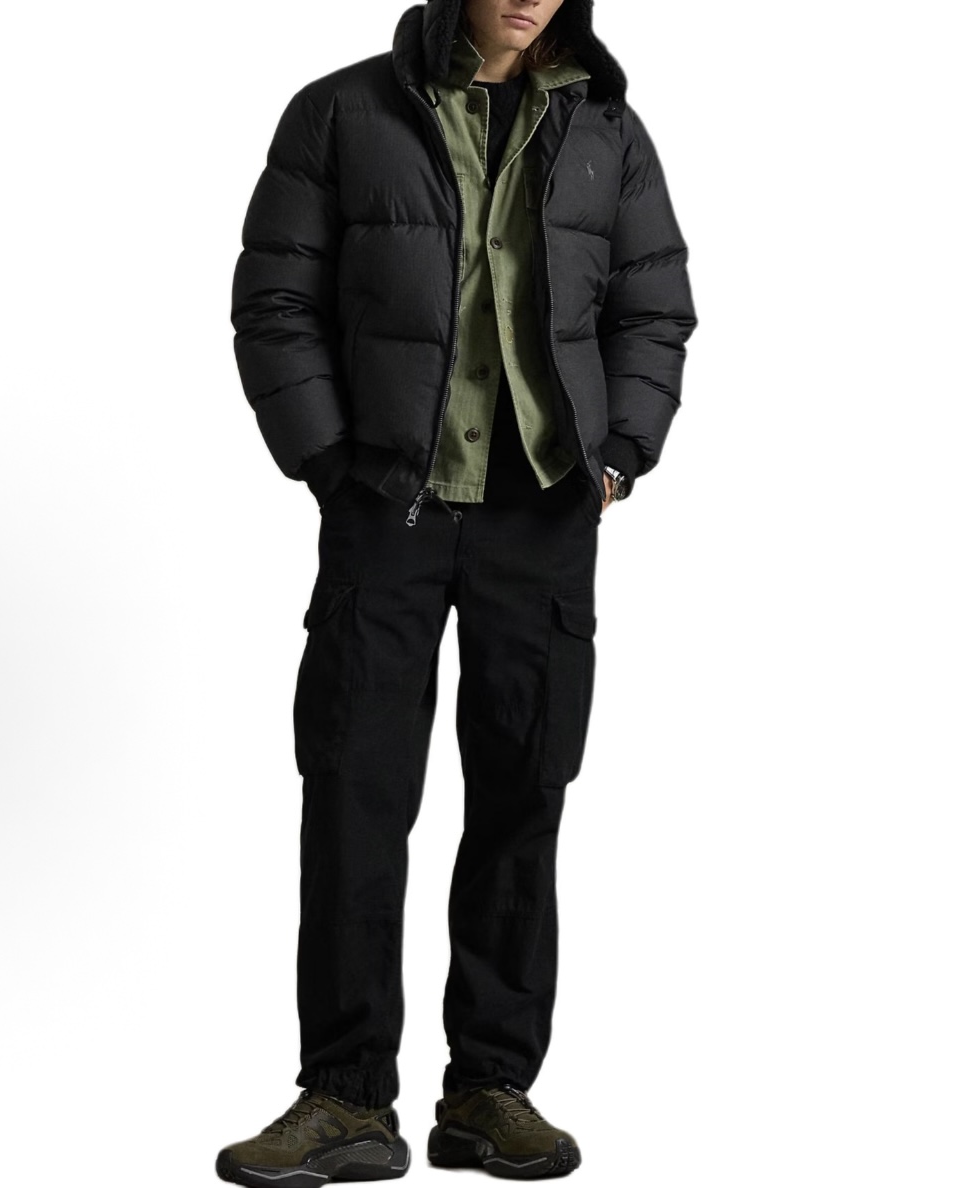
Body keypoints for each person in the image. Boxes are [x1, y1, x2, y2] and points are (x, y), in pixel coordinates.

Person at [216, 0, 697, 1181]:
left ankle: (489, 1089)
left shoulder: (606, 126)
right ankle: (344, 1098)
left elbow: (653, 303)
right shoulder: (341, 112)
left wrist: (620, 453)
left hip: (543, 510)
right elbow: (275, 299)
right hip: (389, 504)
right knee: (354, 790)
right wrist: (330, 460)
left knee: (524, 790)